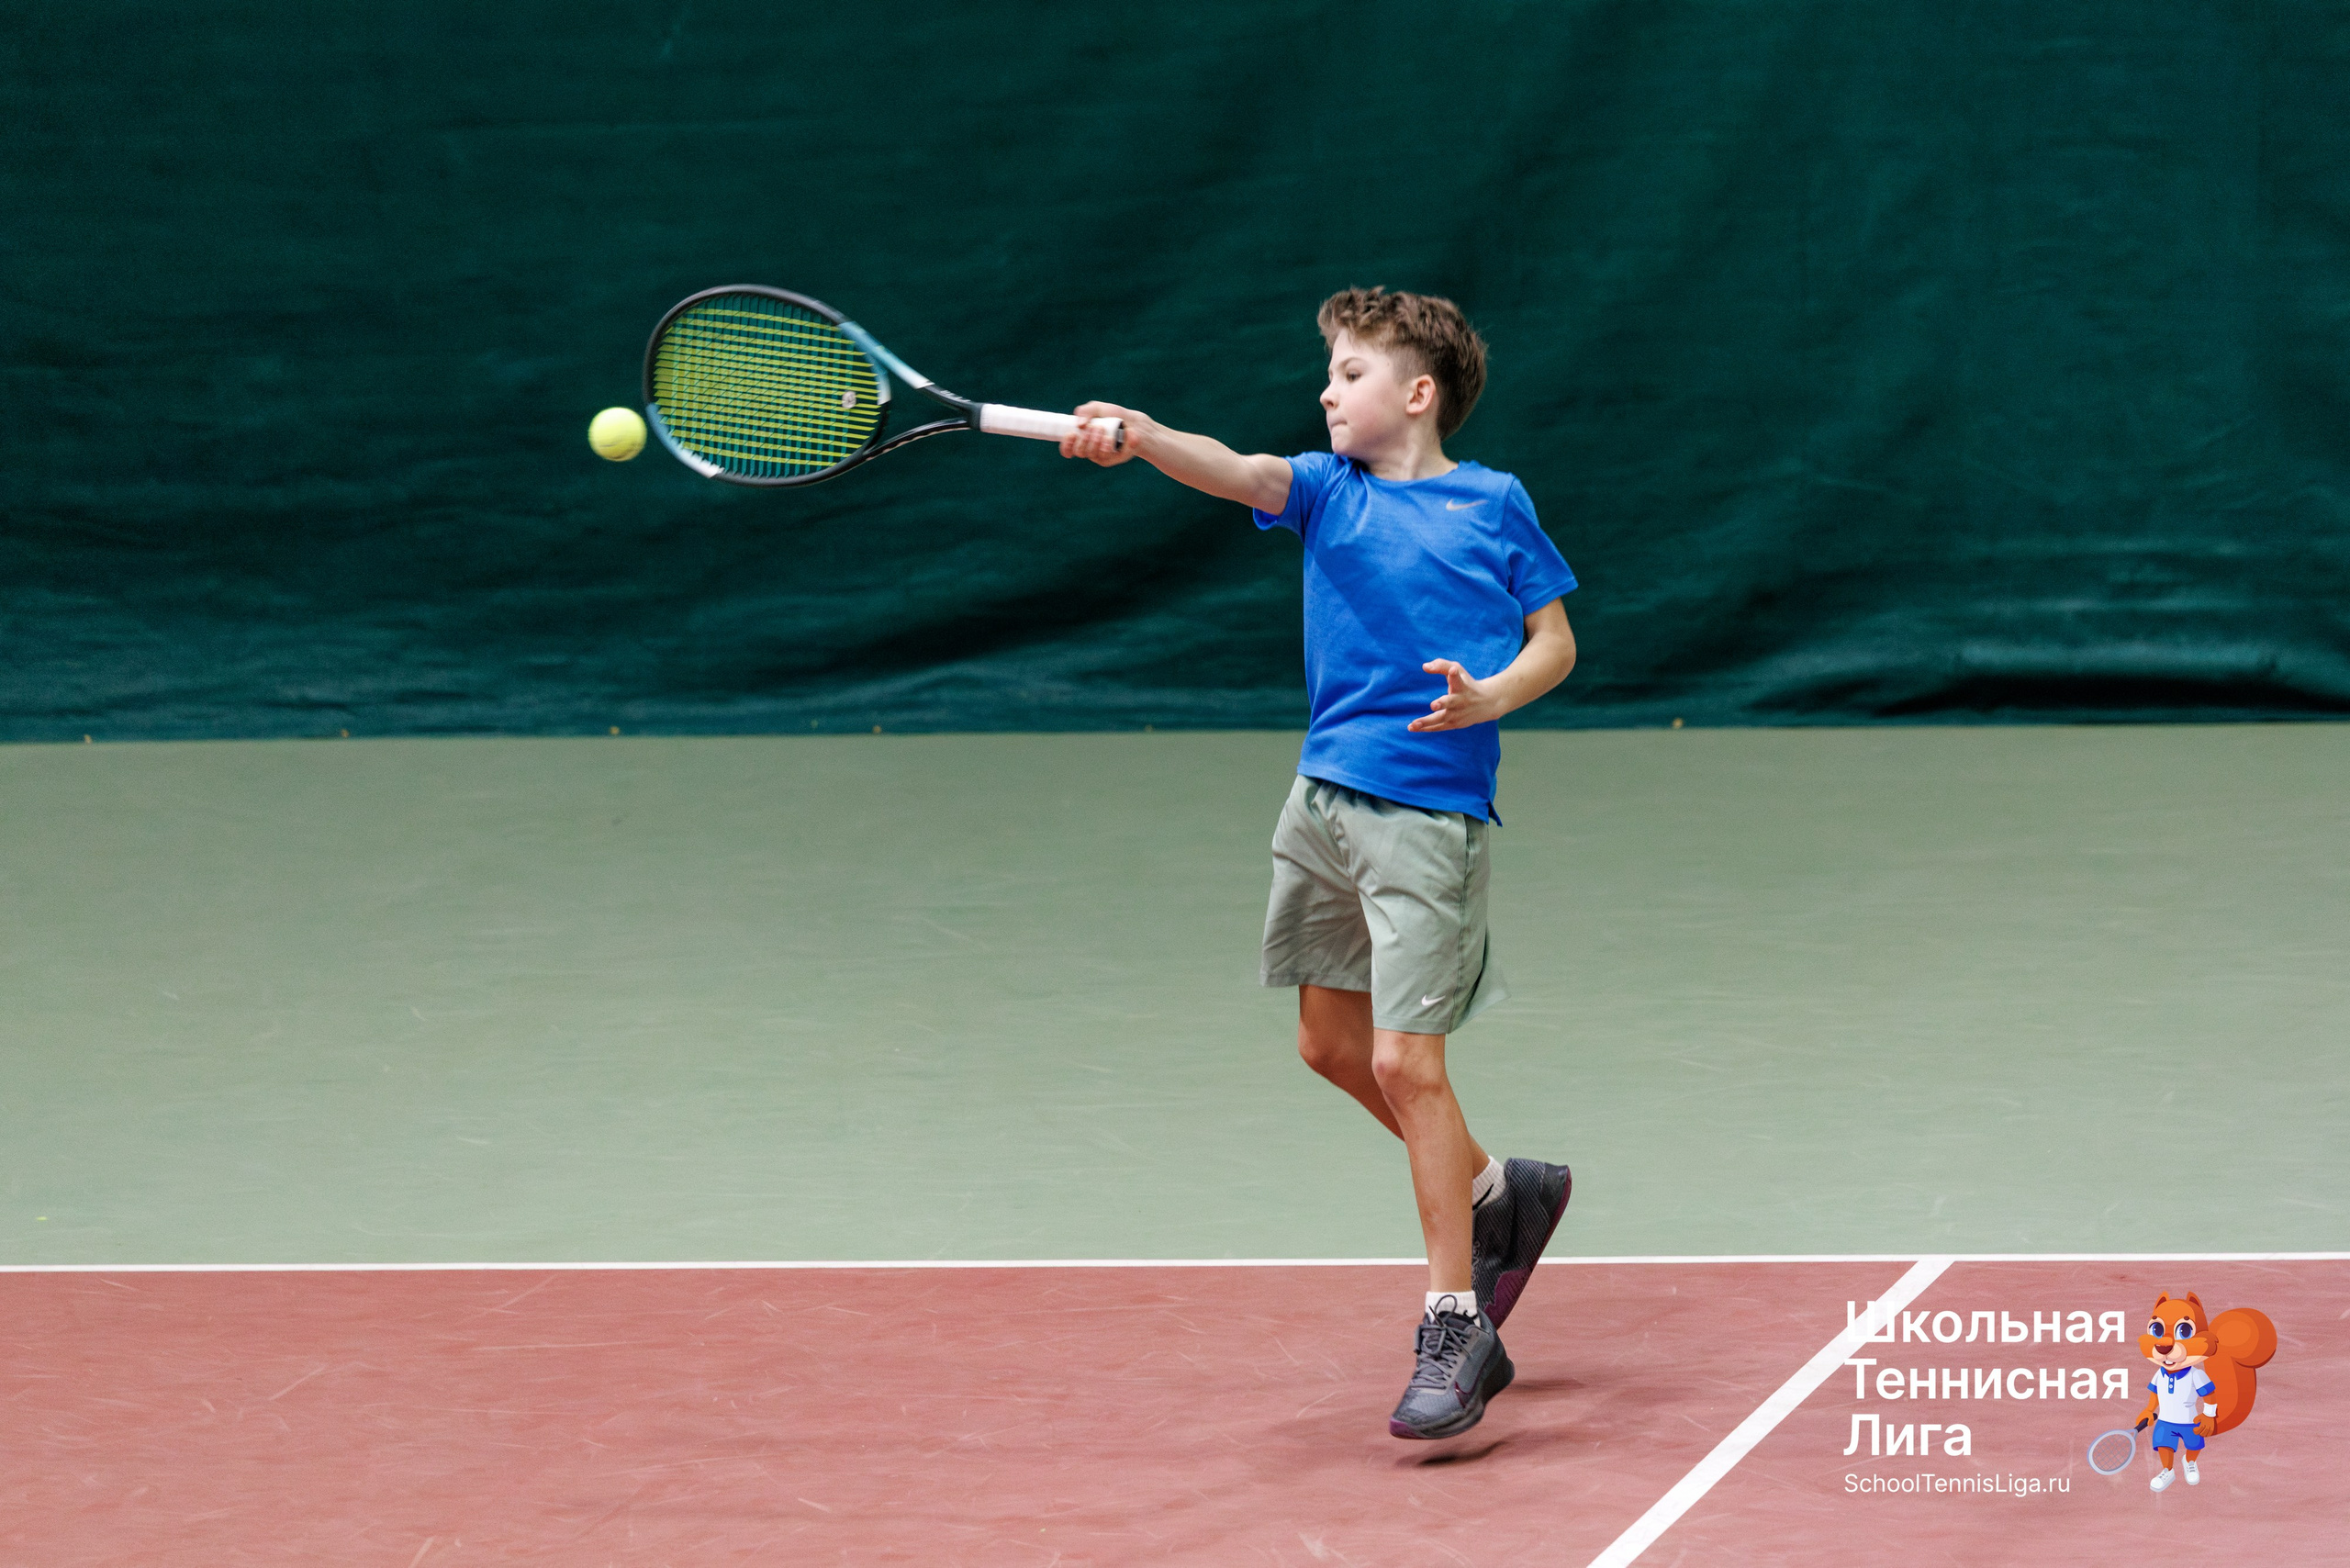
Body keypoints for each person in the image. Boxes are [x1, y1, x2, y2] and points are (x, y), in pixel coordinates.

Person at [1060, 287, 1580, 1439]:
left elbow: (1556, 639)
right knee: (1329, 1047)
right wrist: (1142, 437)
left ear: (1417, 392)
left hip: (1426, 817)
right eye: (1329, 373)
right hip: (1321, 802)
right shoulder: (1322, 490)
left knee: (1407, 1064)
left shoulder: (1493, 503)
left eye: (1348, 372)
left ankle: (1457, 1326)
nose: (1326, 390)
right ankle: (1502, 1190)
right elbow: (1236, 469)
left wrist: (1492, 693)